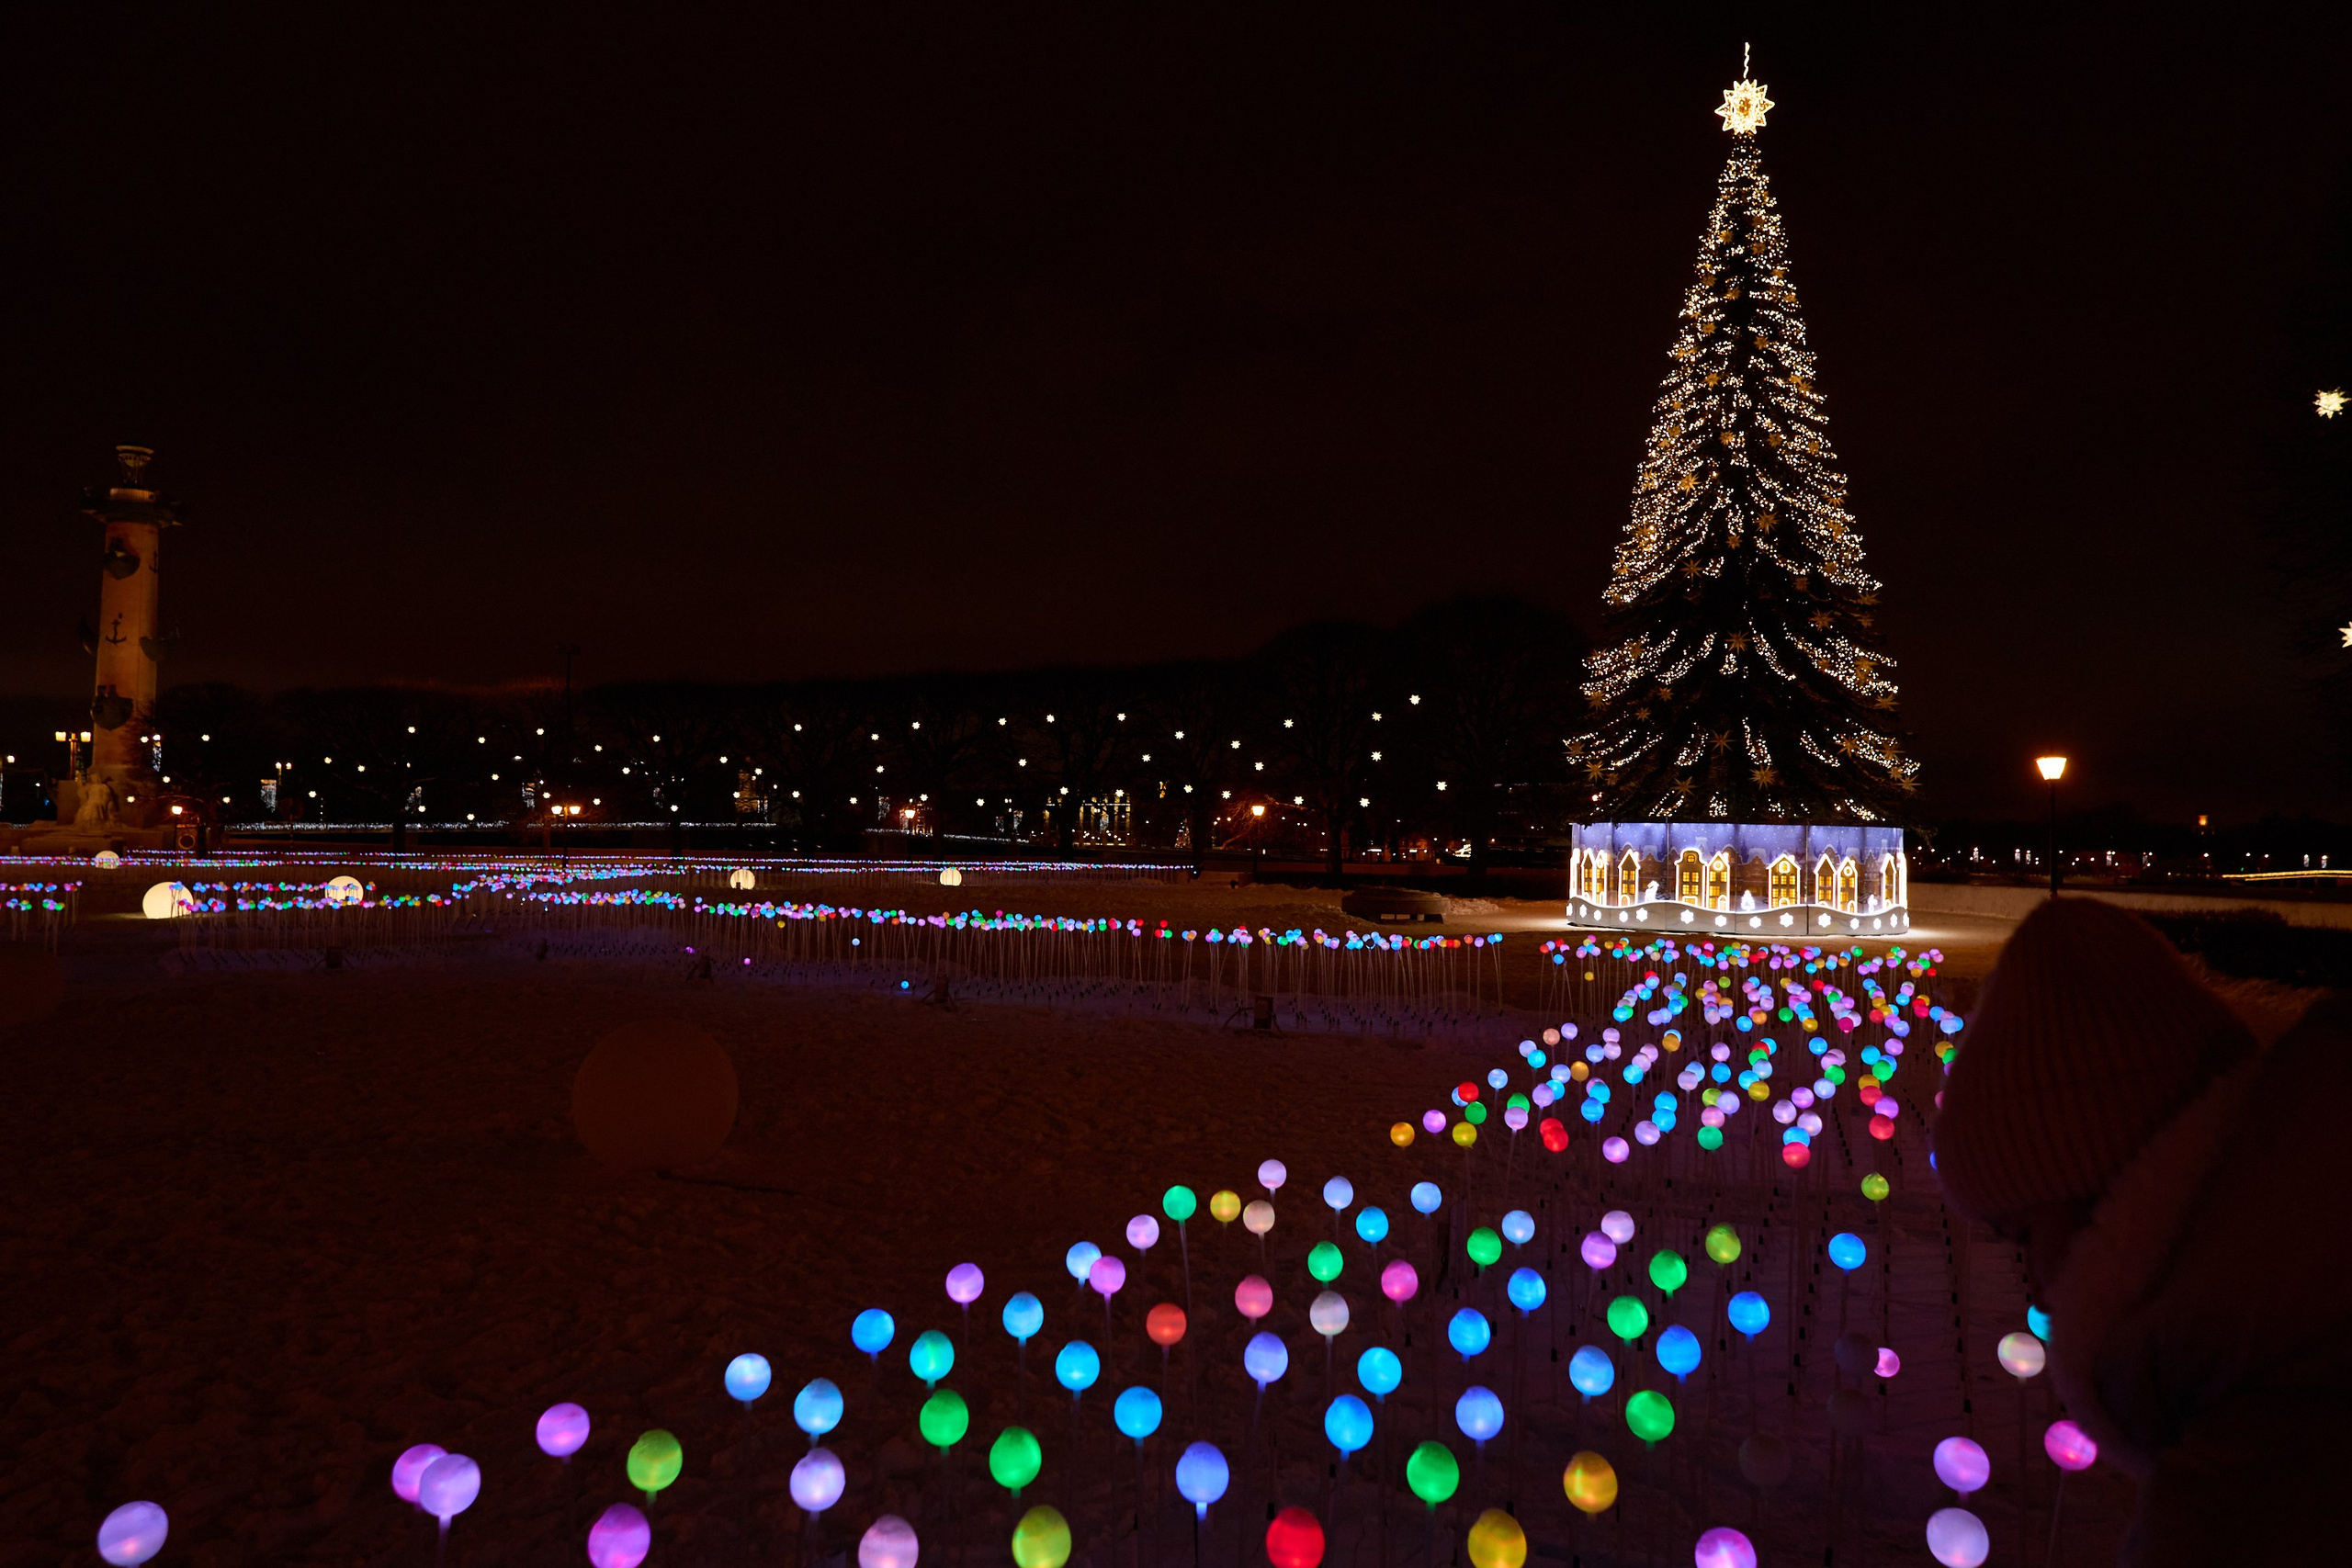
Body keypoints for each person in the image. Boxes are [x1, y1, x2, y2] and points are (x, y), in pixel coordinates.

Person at [1932, 897, 2352, 1564]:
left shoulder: (2250, 1483)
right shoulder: (2294, 1300)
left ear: (2102, 1182)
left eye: (2025, 1236)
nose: (2037, 1291)